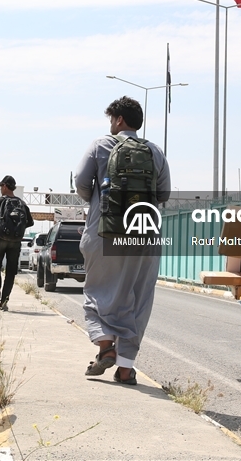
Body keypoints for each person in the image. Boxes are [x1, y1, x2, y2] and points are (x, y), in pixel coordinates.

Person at [74, 97, 171, 385]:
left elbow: (81, 183)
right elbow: (164, 193)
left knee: (96, 292)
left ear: (118, 120)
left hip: (104, 233)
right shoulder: (155, 151)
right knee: (138, 300)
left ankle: (106, 347)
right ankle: (126, 370)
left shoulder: (99, 145)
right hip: (144, 236)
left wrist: (96, 200)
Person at [0, 175, 34, 311]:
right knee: (11, 271)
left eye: (1, 186)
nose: (0, 188)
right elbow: (30, 222)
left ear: (5, 186)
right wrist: (17, 230)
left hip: (0, 239)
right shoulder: (22, 204)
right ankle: (4, 301)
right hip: (16, 242)